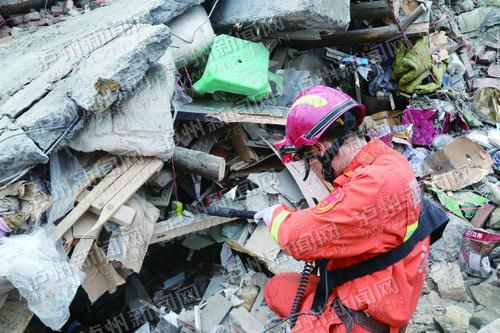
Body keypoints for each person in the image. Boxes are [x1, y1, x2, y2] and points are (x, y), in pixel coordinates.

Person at [254, 86, 429, 333]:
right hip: (380, 282)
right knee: (277, 290)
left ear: (319, 150)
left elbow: (299, 239)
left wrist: (276, 217)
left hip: (365, 315)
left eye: (308, 162)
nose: (312, 171)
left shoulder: (375, 185)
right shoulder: (386, 161)